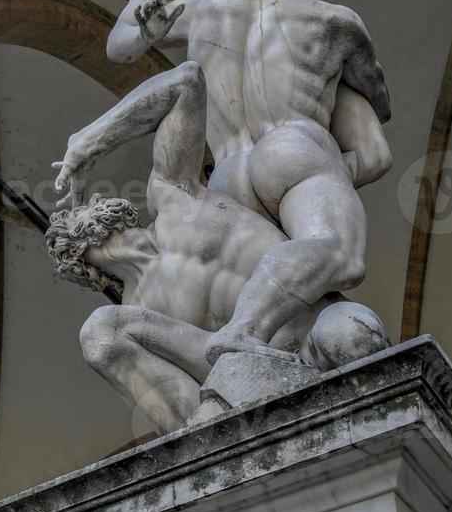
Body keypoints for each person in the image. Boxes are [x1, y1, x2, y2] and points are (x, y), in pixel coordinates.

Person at [82, 0, 393, 364]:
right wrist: (332, 164)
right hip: (296, 149)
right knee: (336, 252)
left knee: (294, 304)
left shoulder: (202, 9)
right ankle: (241, 333)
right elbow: (379, 101)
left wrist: (143, 31)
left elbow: (124, 46)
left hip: (227, 178)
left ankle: (259, 355)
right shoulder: (334, 21)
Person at [48, 61, 389, 433]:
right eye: (70, 223)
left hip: (313, 332)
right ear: (82, 268)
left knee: (352, 338)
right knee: (99, 332)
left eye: (80, 209)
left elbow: (186, 81)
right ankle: (201, 440)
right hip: (243, 379)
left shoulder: (171, 195)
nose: (80, 212)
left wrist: (89, 140)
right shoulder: (139, 309)